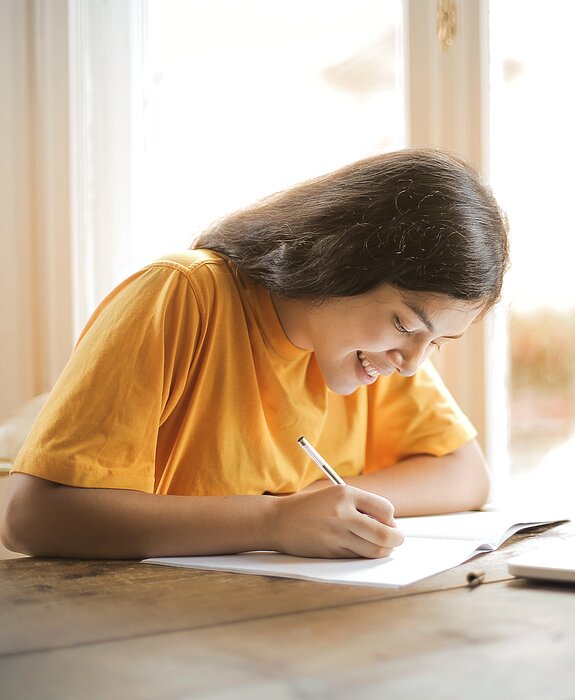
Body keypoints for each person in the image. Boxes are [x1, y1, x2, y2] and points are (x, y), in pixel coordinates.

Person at [1, 148, 509, 561]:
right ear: (341, 262)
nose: (413, 363)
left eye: (436, 343)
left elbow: (466, 473)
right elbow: (31, 517)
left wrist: (323, 504)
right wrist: (274, 521)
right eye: (405, 325)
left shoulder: (375, 353)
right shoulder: (183, 294)